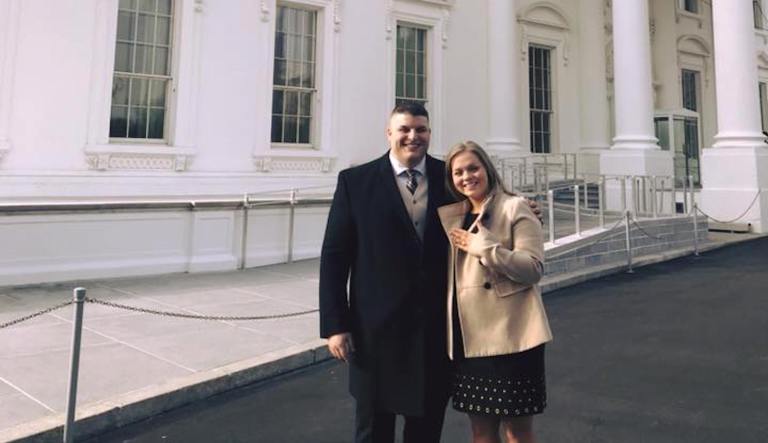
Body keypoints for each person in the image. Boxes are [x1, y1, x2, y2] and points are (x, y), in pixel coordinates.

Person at [319, 102, 452, 443]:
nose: (413, 136)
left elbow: (487, 206)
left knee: (426, 427)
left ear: (429, 134)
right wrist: (336, 325)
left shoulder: (449, 177)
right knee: (374, 428)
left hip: (433, 328)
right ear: (389, 132)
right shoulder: (355, 182)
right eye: (405, 129)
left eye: (420, 129)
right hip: (374, 329)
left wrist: (522, 211)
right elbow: (335, 257)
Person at [438, 141, 552, 443]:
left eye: (473, 168)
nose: (467, 177)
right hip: (470, 340)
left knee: (518, 431)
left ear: (487, 168)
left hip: (512, 337)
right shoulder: (454, 213)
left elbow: (533, 269)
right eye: (458, 172)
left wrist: (484, 248)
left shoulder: (516, 207)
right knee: (481, 432)